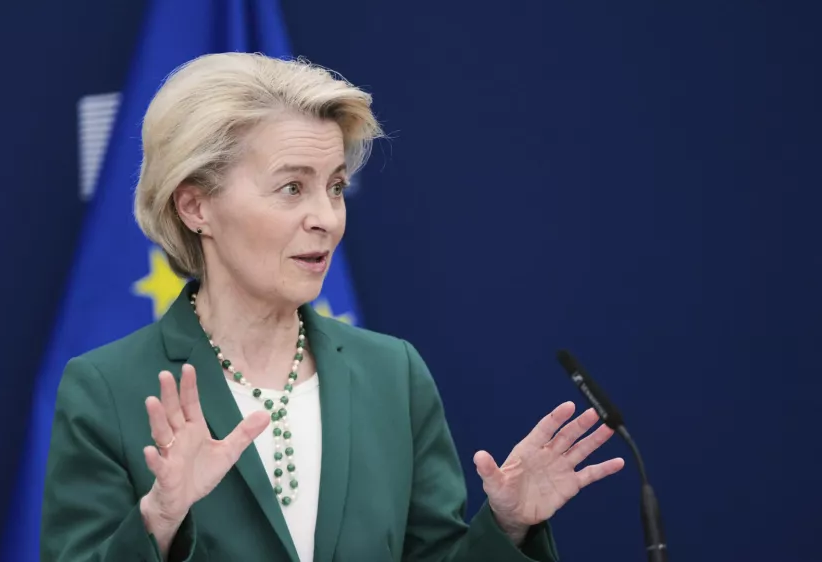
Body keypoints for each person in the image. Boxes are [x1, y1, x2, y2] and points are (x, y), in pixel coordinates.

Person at [40, 52, 624, 562]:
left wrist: (507, 528)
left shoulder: (392, 373)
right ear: (196, 207)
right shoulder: (107, 389)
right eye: (292, 187)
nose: (327, 217)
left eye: (336, 186)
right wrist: (160, 520)